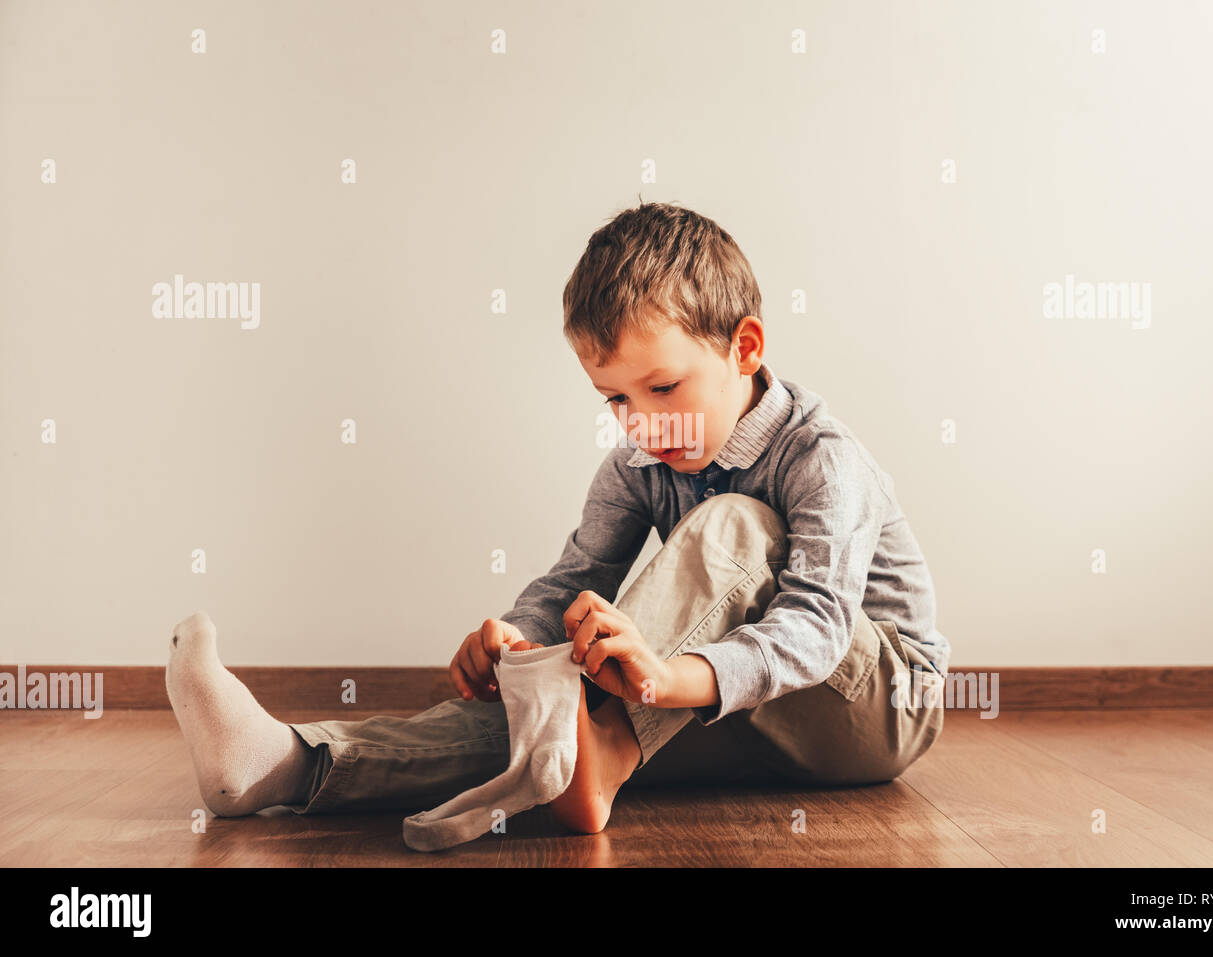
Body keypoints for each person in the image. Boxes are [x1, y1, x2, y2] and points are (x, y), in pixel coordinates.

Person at [164, 201, 950, 839]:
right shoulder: (638, 467)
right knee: (546, 729)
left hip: (875, 704)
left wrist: (671, 677)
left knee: (734, 522)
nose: (642, 424)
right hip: (736, 700)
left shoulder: (820, 458)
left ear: (744, 348)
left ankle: (604, 749)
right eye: (616, 399)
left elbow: (815, 626)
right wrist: (516, 642)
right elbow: (575, 579)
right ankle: (289, 765)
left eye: (664, 388)